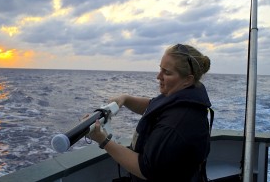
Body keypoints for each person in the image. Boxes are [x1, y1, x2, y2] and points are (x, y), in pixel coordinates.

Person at [89, 43, 212, 182]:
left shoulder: (175, 126)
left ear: (187, 79)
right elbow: (154, 106)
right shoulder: (182, 94)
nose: (158, 76)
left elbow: (145, 169)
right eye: (160, 69)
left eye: (167, 72)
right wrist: (126, 99)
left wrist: (103, 140)